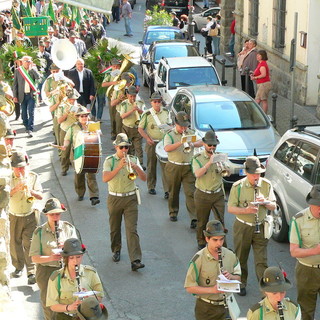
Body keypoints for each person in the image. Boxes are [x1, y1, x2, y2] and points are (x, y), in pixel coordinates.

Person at [227, 156, 276, 296]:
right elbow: (230, 208)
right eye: (254, 173)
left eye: (259, 173)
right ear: (247, 173)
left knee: (262, 260)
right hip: (243, 226)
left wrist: (265, 202)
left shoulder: (266, 184)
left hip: (260, 226)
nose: (256, 176)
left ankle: (264, 290)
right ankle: (241, 283)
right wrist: (246, 211)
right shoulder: (238, 186)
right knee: (241, 256)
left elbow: (273, 206)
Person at [102, 133, 146, 271]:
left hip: (130, 198)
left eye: (126, 147)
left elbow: (144, 178)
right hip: (114, 198)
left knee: (132, 229)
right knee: (115, 228)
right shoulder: (109, 161)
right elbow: (105, 178)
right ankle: (116, 249)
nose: (124, 150)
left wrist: (136, 167)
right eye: (121, 147)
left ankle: (135, 260)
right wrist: (119, 167)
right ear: (116, 147)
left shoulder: (133, 159)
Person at [29, 198, 78, 320]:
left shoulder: (68, 228)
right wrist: (50, 257)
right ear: (46, 215)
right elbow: (34, 258)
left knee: (69, 299)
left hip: (66, 268)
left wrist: (66, 247)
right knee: (48, 303)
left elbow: (77, 250)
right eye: (52, 214)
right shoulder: (39, 232)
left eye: (58, 214)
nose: (55, 217)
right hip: (47, 271)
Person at [184, 220, 241, 320]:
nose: (219, 243)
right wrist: (212, 290)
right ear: (207, 238)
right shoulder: (198, 259)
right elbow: (189, 287)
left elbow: (239, 277)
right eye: (215, 240)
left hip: (226, 306)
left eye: (221, 239)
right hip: (206, 309)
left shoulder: (230, 255)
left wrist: (231, 277)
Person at [46, 238, 104, 319]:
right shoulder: (56, 277)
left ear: (82, 256)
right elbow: (52, 305)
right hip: (65, 317)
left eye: (78, 257)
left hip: (86, 316)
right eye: (71, 258)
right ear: (65, 258)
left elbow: (100, 297)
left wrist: (90, 298)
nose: (75, 261)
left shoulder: (91, 273)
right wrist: (69, 307)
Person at [9, 149, 43, 285]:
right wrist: (16, 188)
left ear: (27, 165)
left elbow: (40, 195)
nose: (20, 170)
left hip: (30, 214)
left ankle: (31, 272)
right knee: (15, 243)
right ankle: (18, 267)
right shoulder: (8, 178)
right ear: (12, 167)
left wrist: (31, 191)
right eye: (17, 168)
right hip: (14, 215)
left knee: (30, 243)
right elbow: (5, 195)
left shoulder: (33, 177)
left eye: (22, 167)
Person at [163, 111, 202, 227]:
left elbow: (200, 142)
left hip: (188, 166)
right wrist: (181, 142)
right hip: (174, 166)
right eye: (181, 126)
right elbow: (167, 148)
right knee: (173, 191)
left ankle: (194, 218)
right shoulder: (170, 134)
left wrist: (193, 144)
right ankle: (173, 212)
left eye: (186, 125)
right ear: (176, 124)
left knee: (190, 192)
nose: (184, 128)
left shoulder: (191, 133)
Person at [191, 131, 229, 250]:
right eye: (210, 145)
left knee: (220, 221)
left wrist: (225, 167)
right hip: (202, 194)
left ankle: (222, 245)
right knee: (202, 221)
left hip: (217, 193)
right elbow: (197, 174)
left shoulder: (220, 156)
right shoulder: (197, 158)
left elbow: (228, 172)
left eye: (214, 145)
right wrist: (209, 162)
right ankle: (202, 242)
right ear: (204, 144)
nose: (212, 147)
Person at [289, 185, 320, 320]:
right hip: (307, 272)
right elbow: (294, 251)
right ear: (311, 204)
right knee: (306, 311)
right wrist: (315, 250)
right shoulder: (299, 220)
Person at [61, 105, 100, 206]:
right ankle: (80, 192)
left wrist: (96, 132)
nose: (84, 118)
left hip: (90, 152)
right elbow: (67, 139)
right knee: (79, 174)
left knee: (91, 173)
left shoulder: (93, 125)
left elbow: (99, 135)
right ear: (78, 117)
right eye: (81, 116)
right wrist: (65, 146)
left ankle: (94, 196)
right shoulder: (73, 127)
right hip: (77, 153)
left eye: (85, 116)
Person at [138, 92, 170, 197]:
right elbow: (140, 128)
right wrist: (147, 138)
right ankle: (151, 186)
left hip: (163, 143)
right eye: (155, 102)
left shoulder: (166, 112)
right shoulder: (147, 114)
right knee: (151, 166)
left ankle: (167, 190)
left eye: (159, 102)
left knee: (165, 167)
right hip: (152, 143)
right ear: (151, 102)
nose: (157, 104)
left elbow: (170, 125)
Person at [13, 55, 41, 137]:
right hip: (22, 95)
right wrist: (15, 96)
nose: (28, 63)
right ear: (22, 62)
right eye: (26, 61)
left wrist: (33, 69)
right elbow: (15, 84)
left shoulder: (33, 69)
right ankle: (26, 124)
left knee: (31, 112)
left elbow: (39, 78)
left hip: (31, 95)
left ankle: (30, 129)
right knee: (24, 113)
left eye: (29, 61)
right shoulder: (18, 70)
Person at [118, 85, 144, 167]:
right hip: (127, 128)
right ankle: (128, 163)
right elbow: (122, 116)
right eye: (131, 96)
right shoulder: (124, 104)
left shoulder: (139, 102)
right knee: (127, 147)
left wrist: (138, 109)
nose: (132, 98)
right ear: (127, 95)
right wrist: (132, 110)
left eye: (134, 96)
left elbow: (144, 113)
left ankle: (140, 164)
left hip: (137, 128)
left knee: (138, 147)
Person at [57, 88, 79, 176]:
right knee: (65, 151)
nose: (72, 101)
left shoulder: (79, 106)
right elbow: (59, 121)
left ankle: (77, 168)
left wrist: (77, 114)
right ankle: (64, 168)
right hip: (65, 130)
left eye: (74, 99)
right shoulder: (62, 107)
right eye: (71, 99)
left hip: (75, 130)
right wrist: (67, 113)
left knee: (76, 151)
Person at [101, 58, 121, 140]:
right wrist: (113, 83)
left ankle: (120, 132)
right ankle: (114, 133)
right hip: (111, 97)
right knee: (112, 116)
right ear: (112, 67)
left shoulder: (122, 73)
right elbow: (103, 84)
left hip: (121, 97)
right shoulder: (109, 74)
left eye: (117, 66)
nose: (116, 68)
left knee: (120, 115)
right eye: (114, 66)